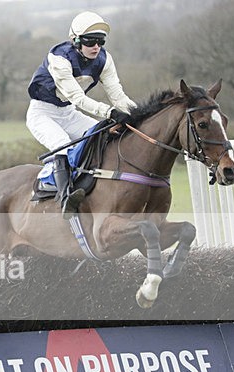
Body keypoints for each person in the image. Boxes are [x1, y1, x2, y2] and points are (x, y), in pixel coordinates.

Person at [26, 11, 137, 217]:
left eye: (100, 41)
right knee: (61, 146)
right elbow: (78, 98)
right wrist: (110, 112)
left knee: (103, 137)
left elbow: (118, 96)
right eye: (90, 41)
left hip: (69, 113)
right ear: (75, 40)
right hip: (42, 113)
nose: (96, 46)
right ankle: (65, 199)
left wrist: (139, 114)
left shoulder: (104, 59)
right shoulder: (59, 58)